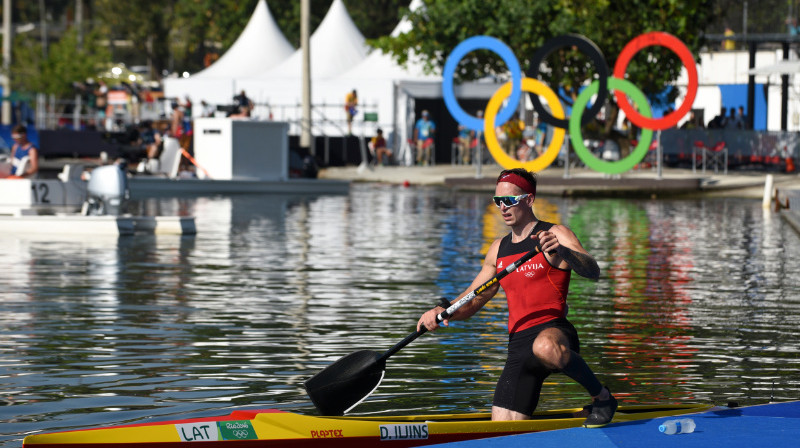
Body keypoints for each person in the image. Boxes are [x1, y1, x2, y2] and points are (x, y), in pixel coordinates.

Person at [416, 168, 616, 427]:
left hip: (554, 332)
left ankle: (602, 398)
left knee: (543, 346)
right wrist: (441, 310)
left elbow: (592, 270)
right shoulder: (498, 249)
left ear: (529, 199)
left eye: (509, 200)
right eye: (497, 201)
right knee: (502, 432)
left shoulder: (555, 233)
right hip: (518, 347)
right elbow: (473, 299)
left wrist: (563, 251)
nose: (502, 207)